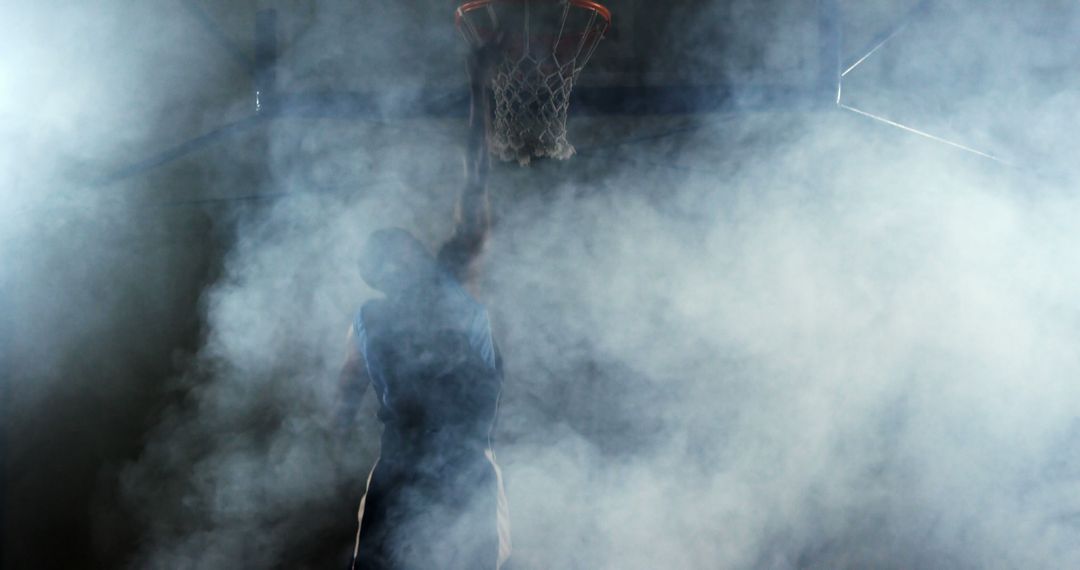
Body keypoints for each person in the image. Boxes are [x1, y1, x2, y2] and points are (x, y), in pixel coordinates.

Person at [336, 43, 511, 570]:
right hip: (401, 466)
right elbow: (348, 385)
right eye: (384, 259)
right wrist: (342, 427)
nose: (397, 259)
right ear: (379, 276)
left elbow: (475, 178)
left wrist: (480, 90)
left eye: (400, 248)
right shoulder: (370, 319)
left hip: (461, 465)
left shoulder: (453, 274)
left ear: (414, 254)